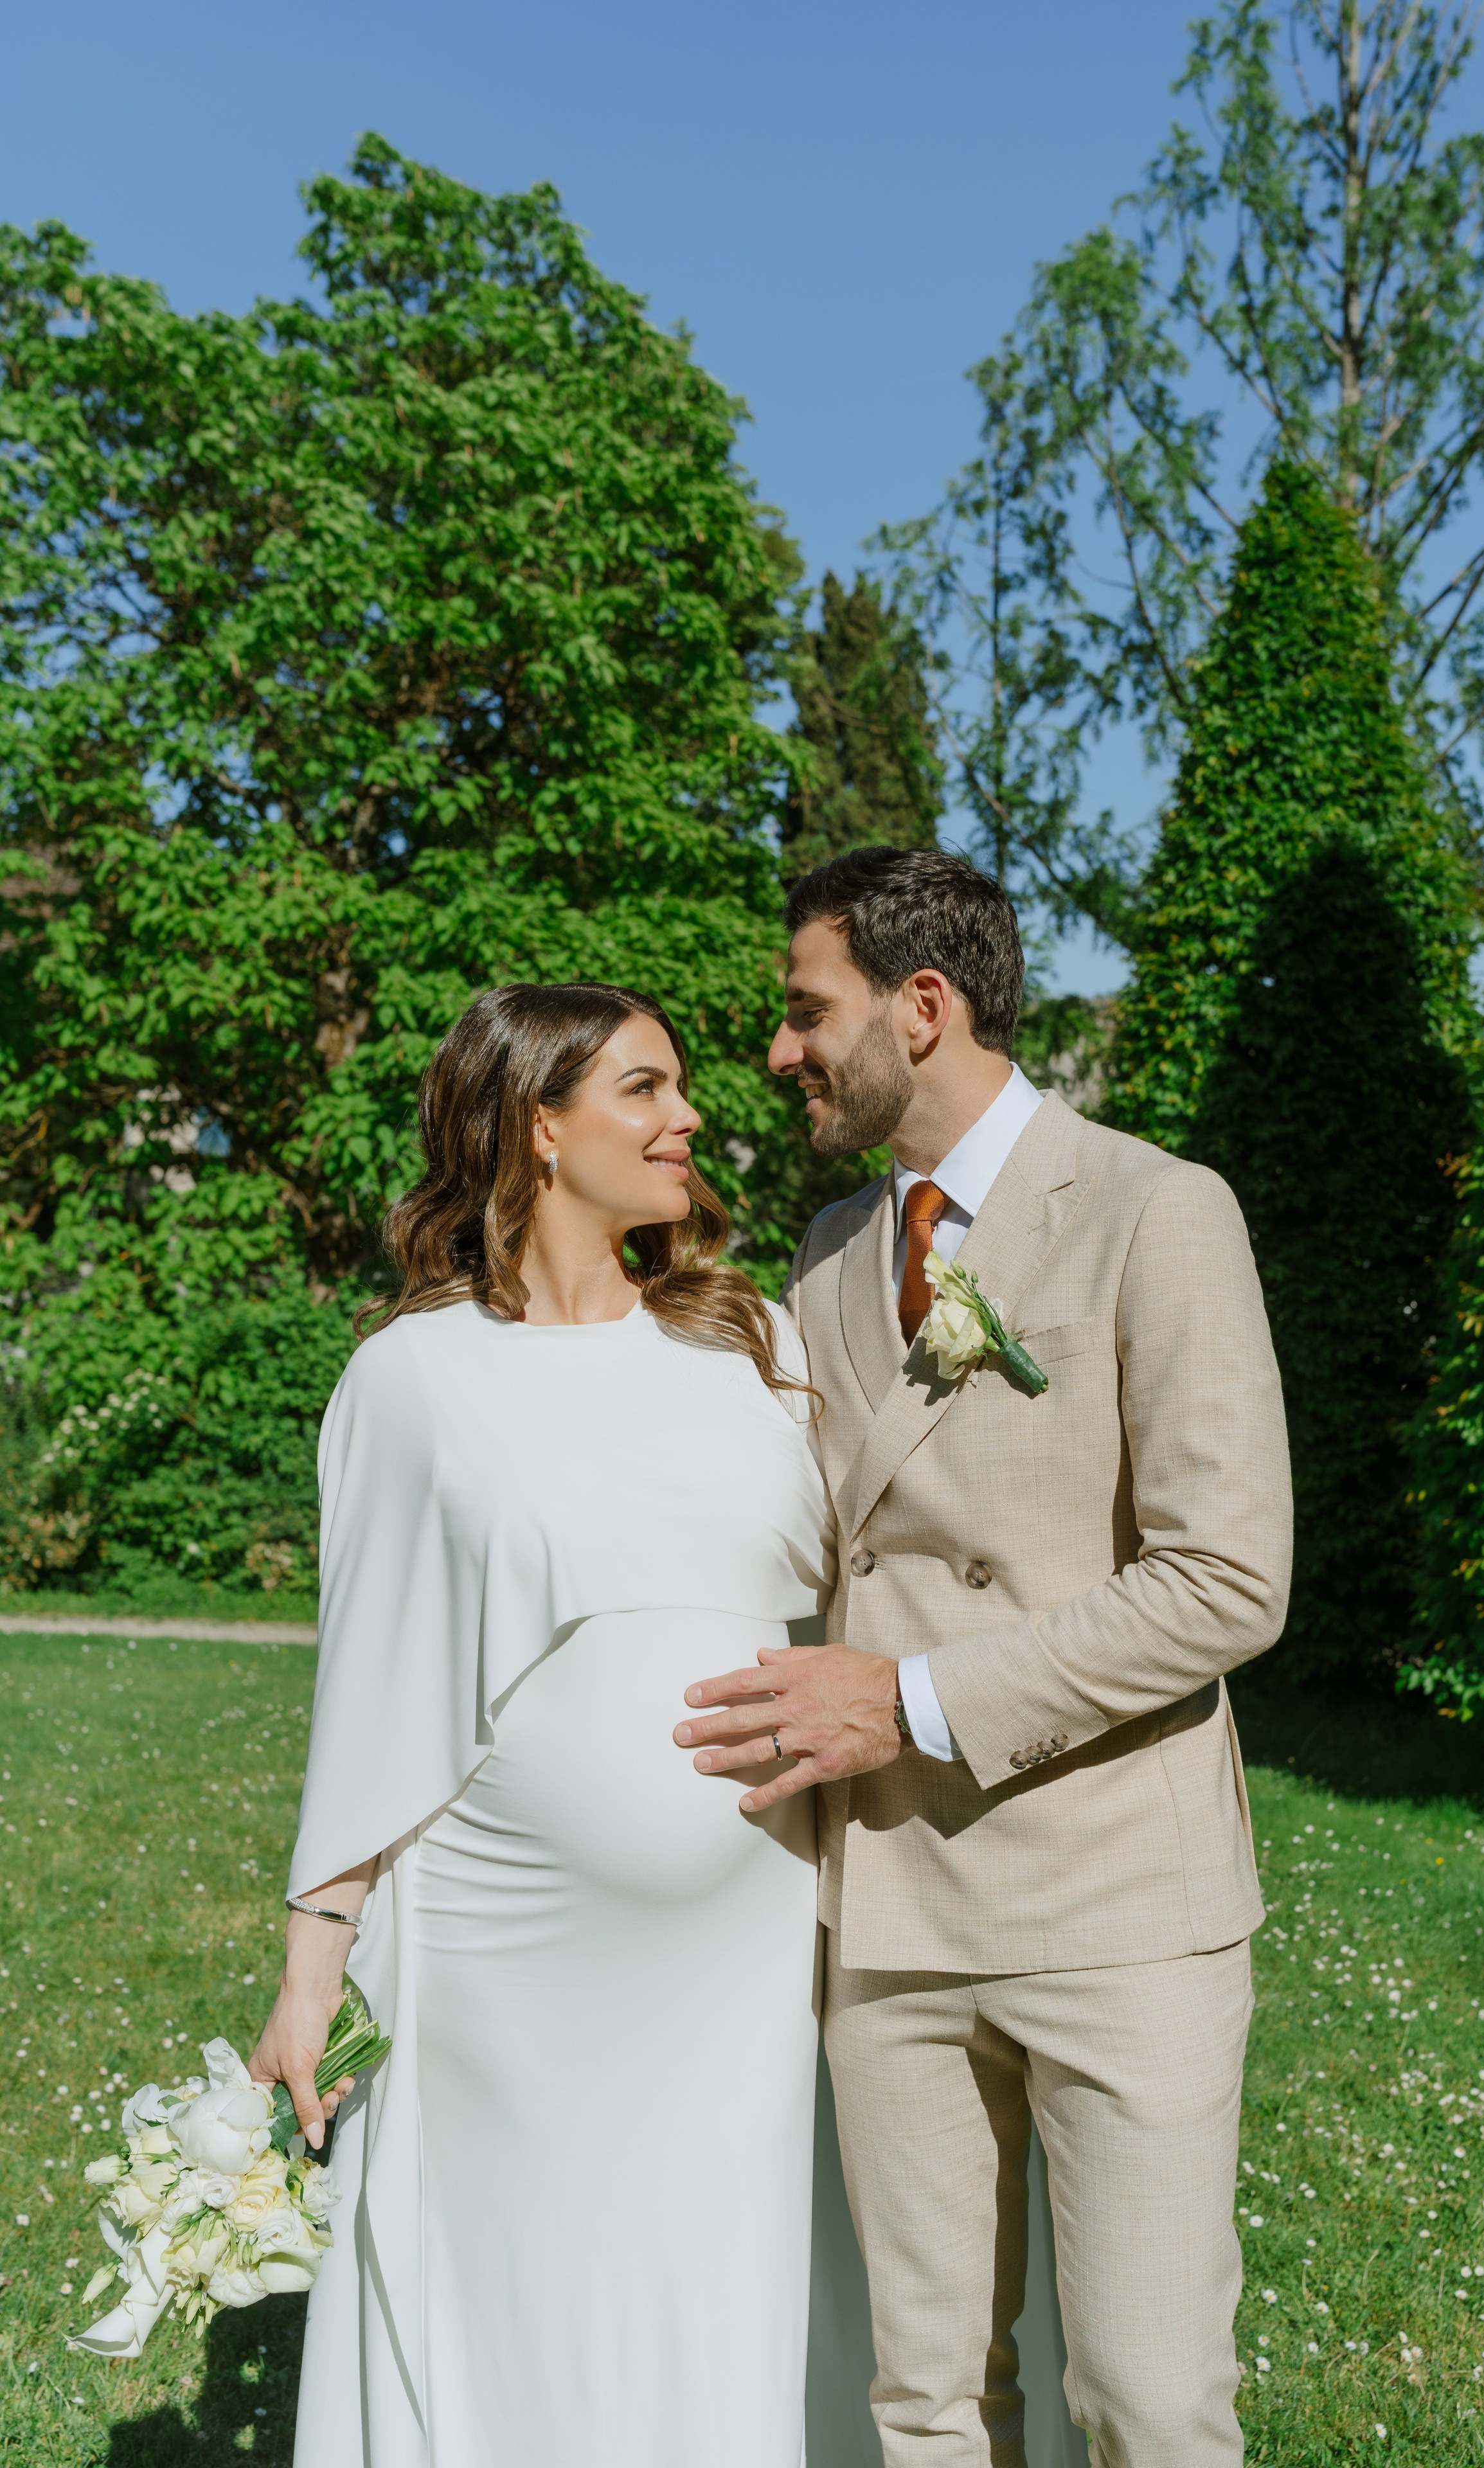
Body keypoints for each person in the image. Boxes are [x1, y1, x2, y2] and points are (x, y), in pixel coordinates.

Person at [676, 847, 1293, 2467]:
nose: (780, 1050)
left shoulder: (1159, 1212)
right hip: (887, 1909)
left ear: (922, 1007)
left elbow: (1226, 1579)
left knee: (1148, 2402)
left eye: (807, 1012)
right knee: (928, 2404)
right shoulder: (820, 1259)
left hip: (1117, 1911)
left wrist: (908, 1699)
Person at [249, 981, 835, 2468]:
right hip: (505, 1964)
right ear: (540, 1128)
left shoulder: (751, 1344)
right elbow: (371, 1687)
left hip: (748, 1962)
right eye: (644, 1088)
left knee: (727, 2294)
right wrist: (312, 1974)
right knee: (520, 2315)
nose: (688, 1116)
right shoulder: (415, 1379)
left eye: (681, 1086)